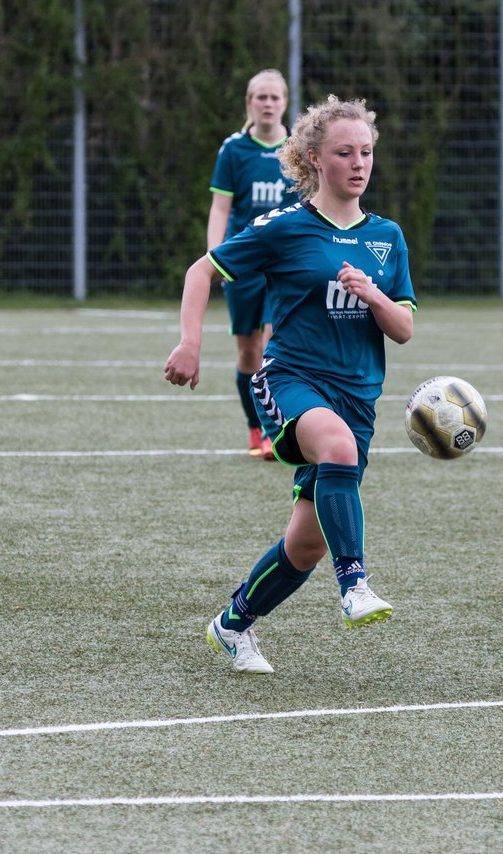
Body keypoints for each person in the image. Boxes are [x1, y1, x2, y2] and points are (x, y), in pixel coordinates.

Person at [165, 95, 416, 673]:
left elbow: (403, 328)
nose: (359, 163)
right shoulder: (286, 227)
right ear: (313, 158)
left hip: (358, 396)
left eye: (367, 152)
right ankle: (354, 585)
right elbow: (201, 270)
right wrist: (191, 342)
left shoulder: (387, 237)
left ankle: (232, 625)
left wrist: (374, 294)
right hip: (292, 378)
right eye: (345, 152)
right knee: (336, 447)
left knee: (305, 545)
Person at [208, 69, 297, 460]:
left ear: (285, 103)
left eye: (275, 97)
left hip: (284, 265)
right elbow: (220, 207)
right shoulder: (233, 150)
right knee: (247, 353)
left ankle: (280, 432)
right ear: (249, 103)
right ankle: (256, 429)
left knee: (270, 346)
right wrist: (217, 260)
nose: (268, 103)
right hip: (244, 264)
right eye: (260, 97)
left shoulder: (298, 149)